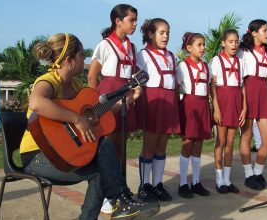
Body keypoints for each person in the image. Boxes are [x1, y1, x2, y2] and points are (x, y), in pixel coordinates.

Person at [20, 33, 149, 219]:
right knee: (103, 145)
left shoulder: (76, 85)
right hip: (37, 156)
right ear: (69, 60)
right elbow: (37, 102)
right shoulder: (48, 81)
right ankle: (120, 196)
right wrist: (76, 119)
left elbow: (96, 112)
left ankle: (113, 201)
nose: (85, 60)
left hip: (62, 152)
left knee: (100, 172)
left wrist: (126, 102)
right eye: (82, 55)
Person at [87, 4, 142, 213]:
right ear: (118, 21)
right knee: (107, 148)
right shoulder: (105, 45)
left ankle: (119, 191)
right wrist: (92, 106)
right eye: (131, 20)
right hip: (107, 97)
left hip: (126, 95)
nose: (135, 24)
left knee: (121, 146)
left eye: (136, 20)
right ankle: (105, 197)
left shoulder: (132, 47)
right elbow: (92, 76)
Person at [136, 18, 180, 202]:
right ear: (151, 34)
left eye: (168, 32)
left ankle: (157, 184)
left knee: (162, 145)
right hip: (153, 101)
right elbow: (137, 80)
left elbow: (176, 83)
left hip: (169, 102)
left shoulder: (170, 56)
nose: (166, 36)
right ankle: (144, 185)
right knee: (149, 146)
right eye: (162, 32)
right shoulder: (143, 55)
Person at [238, 19, 267, 191]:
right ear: (254, 33)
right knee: (246, 137)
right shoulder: (243, 53)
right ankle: (248, 175)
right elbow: (240, 80)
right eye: (265, 30)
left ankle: (258, 173)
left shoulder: (266, 54)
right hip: (248, 94)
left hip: (263, 95)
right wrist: (243, 104)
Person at [210, 29, 246, 194]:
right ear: (223, 43)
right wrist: (216, 109)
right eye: (230, 41)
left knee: (231, 144)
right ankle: (219, 179)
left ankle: (227, 179)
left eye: (236, 41)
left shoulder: (240, 62)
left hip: (236, 103)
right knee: (221, 142)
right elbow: (213, 88)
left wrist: (244, 108)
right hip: (222, 103)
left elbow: (242, 87)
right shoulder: (216, 61)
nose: (234, 44)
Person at [176, 32, 211, 198]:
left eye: (204, 45)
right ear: (189, 48)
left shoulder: (206, 66)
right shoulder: (182, 66)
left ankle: (196, 182)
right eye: (199, 45)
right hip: (189, 104)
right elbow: (176, 88)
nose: (203, 48)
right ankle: (183, 183)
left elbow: (210, 89)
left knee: (199, 144)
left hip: (203, 105)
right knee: (188, 142)